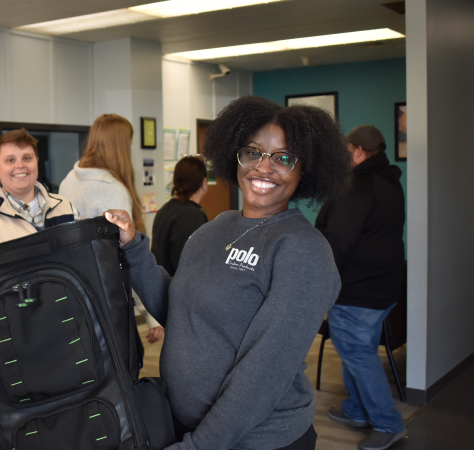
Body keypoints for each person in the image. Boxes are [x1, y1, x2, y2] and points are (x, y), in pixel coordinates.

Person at [105, 95, 351, 450]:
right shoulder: (214, 229)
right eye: (253, 152)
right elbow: (177, 309)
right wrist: (133, 246)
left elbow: (265, 372)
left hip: (255, 439)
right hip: (184, 424)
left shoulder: (303, 250)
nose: (263, 168)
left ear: (305, 169)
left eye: (283, 158)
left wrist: (198, 446)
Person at [316, 125, 407, 450]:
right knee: (357, 350)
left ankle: (388, 423)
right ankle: (357, 409)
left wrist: (319, 280)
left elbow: (338, 241)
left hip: (358, 291)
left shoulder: (357, 187)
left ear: (356, 150)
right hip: (383, 288)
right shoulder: (390, 182)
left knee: (357, 352)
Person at [59, 113, 163, 343]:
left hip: (73, 297)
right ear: (120, 146)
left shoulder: (68, 181)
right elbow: (123, 257)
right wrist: (151, 315)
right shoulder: (113, 190)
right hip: (108, 305)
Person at [0, 128, 79, 247]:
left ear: (36, 161)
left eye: (27, 158)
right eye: (10, 160)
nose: (20, 166)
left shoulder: (66, 208)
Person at [151, 156, 209, 276]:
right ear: (204, 182)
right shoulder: (192, 216)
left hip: (161, 285)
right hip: (178, 290)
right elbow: (188, 266)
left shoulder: (165, 209)